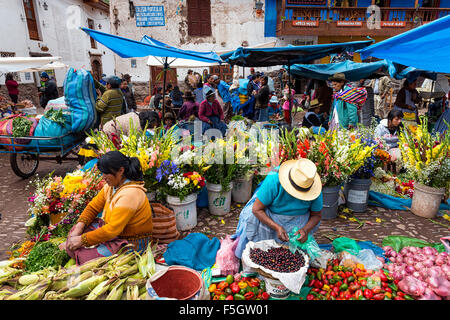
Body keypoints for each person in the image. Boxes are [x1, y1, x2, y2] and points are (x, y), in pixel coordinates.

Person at [63, 151, 153, 254]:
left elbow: (112, 230)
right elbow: (93, 207)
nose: (103, 177)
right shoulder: (110, 187)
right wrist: (79, 228)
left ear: (121, 171)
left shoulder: (130, 194)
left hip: (131, 243)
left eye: (106, 173)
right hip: (115, 235)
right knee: (77, 230)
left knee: (84, 255)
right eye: (102, 173)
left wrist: (82, 240)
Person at [233, 158, 323, 259]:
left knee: (294, 257)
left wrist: (305, 230)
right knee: (250, 217)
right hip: (270, 213)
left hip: (299, 219)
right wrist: (277, 227)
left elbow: (316, 215)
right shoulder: (274, 179)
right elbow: (257, 209)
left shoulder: (312, 186)